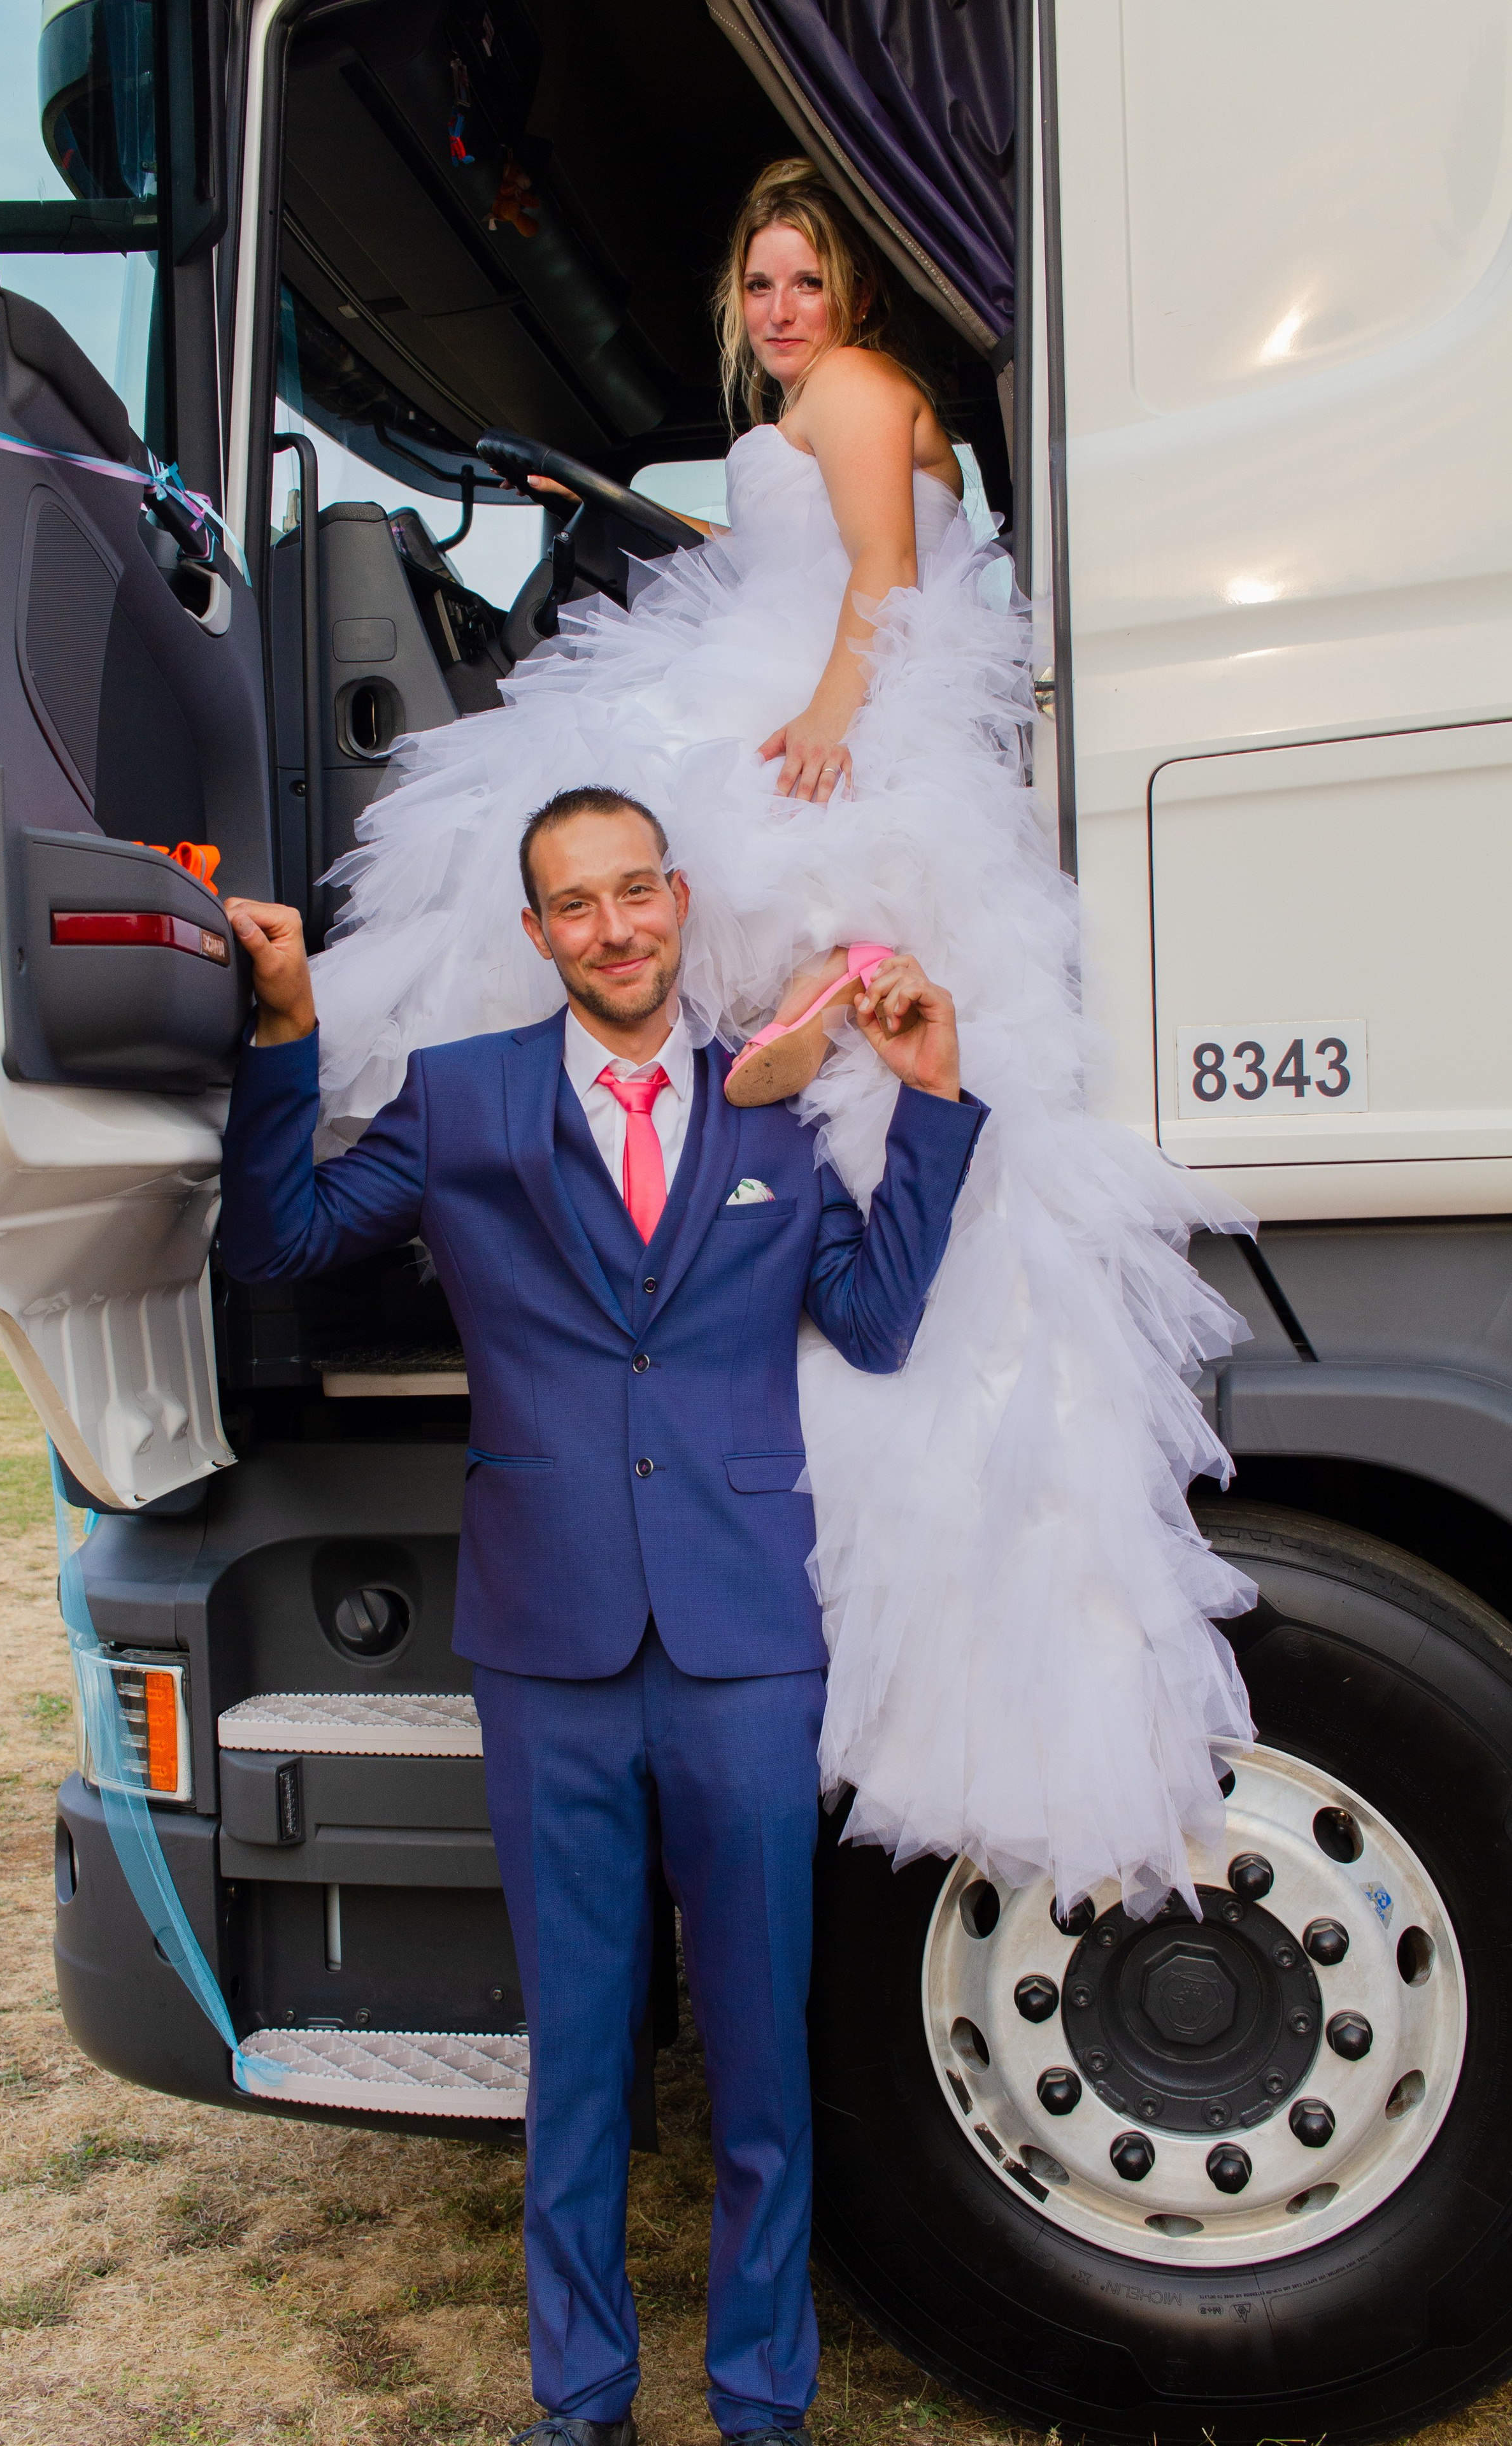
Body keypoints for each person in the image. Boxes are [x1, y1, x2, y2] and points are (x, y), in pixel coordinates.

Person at [304, 156, 1256, 1926]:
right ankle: (655, 1172)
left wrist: (828, 711)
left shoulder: (862, 394)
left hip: (846, 690)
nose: (780, 310)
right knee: (624, 884)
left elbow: (885, 573)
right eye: (759, 285)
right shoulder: (807, 410)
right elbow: (808, 556)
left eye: (805, 279)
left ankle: (604, 1191)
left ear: (855, 295)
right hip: (797, 652)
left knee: (606, 866)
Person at [219, 788, 985, 2443]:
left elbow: (872, 1322)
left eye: (638, 893)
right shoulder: (464, 1101)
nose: (616, 927)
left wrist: (927, 1105)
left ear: (678, 902)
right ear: (537, 933)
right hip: (547, 1640)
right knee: (575, 2053)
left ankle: (760, 2401)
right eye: (578, 904)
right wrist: (284, 1031)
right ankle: (581, 2404)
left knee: (761, 2061)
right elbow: (277, 1239)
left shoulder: (774, 1107)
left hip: (743, 1640)